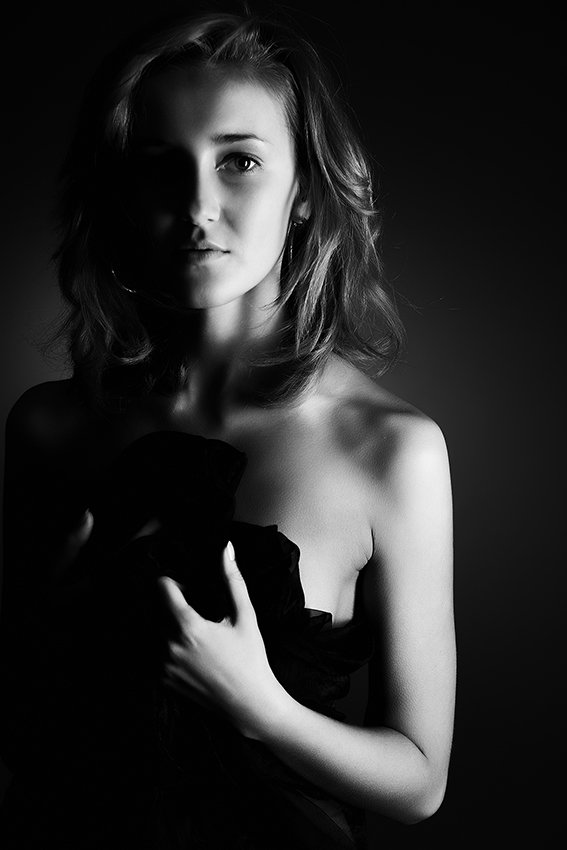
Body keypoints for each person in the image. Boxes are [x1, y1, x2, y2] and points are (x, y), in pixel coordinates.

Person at [0, 7, 456, 849]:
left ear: (304, 193)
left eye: (239, 161)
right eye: (159, 165)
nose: (198, 206)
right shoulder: (48, 427)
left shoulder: (390, 450)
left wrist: (260, 707)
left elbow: (419, 782)